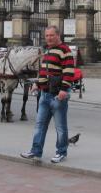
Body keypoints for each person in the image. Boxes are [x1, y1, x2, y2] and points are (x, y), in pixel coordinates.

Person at [21, 26, 74, 164]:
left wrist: (64, 90)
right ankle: (36, 151)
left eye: (51, 35)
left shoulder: (65, 50)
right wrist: (37, 84)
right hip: (44, 95)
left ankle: (61, 152)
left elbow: (69, 71)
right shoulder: (48, 50)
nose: (49, 38)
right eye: (47, 36)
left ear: (58, 35)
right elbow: (44, 71)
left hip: (57, 95)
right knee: (39, 125)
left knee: (60, 127)